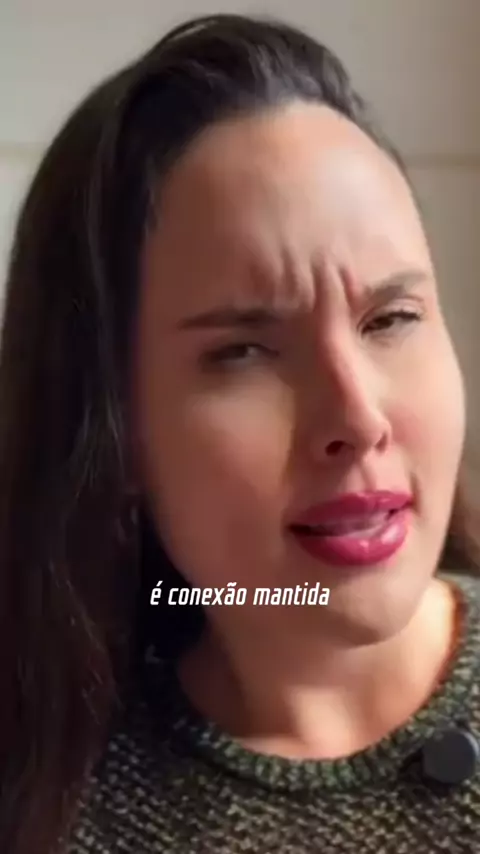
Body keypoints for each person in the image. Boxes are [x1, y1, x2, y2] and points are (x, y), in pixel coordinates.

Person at [1, 12, 480, 854]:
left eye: (391, 318)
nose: (358, 418)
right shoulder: (55, 804)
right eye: (244, 352)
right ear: (113, 427)